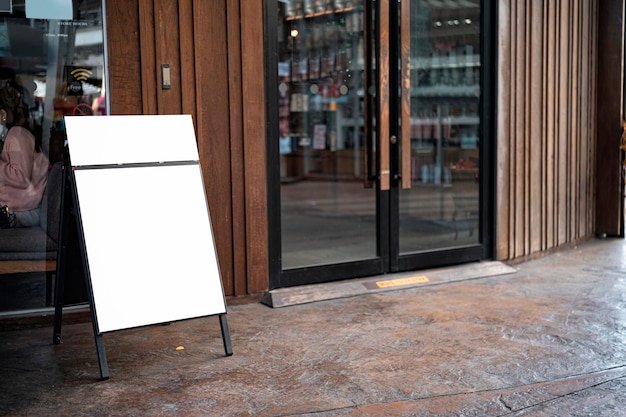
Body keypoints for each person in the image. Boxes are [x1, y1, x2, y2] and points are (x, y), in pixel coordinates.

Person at [0, 84, 50, 228]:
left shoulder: (17, 135)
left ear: (3, 115)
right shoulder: (13, 135)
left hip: (26, 211)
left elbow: (20, 177)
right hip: (23, 207)